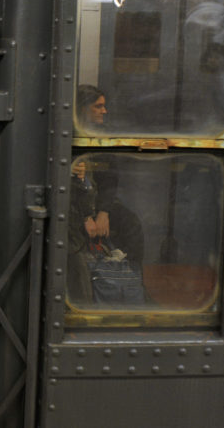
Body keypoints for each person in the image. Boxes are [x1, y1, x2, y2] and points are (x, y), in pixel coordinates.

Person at [69, 85, 146, 305]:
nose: (104, 111)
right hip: (76, 202)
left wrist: (103, 212)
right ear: (83, 110)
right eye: (98, 107)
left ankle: (133, 285)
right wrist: (86, 216)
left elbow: (110, 178)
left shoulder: (103, 135)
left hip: (96, 199)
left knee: (131, 223)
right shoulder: (69, 132)